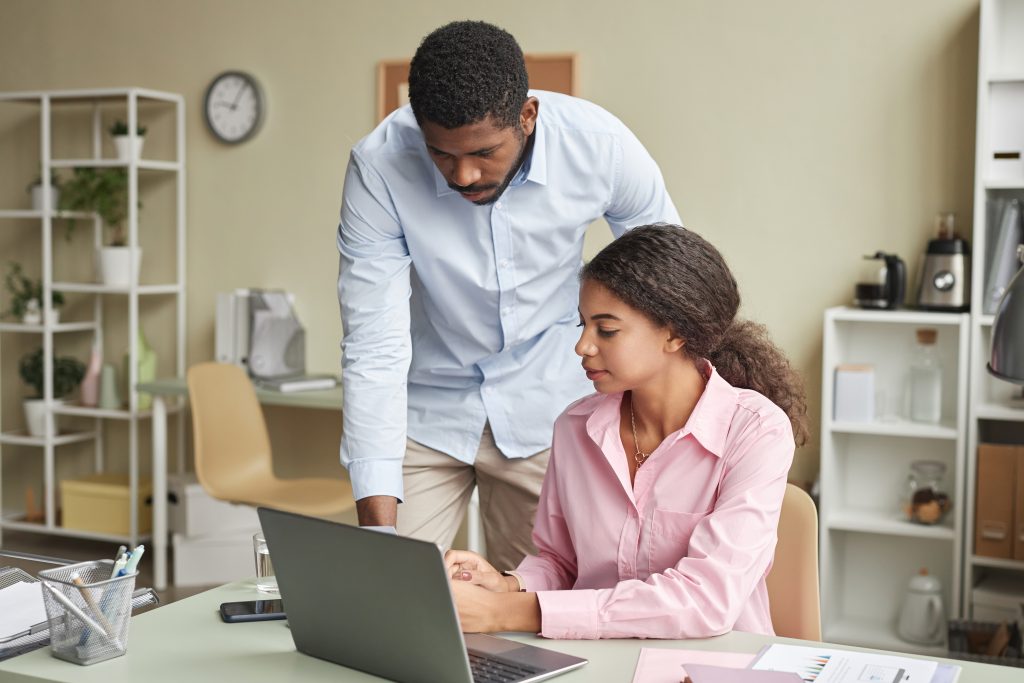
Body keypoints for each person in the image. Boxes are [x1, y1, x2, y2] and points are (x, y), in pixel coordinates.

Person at [336, 20, 679, 569]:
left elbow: (671, 280)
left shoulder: (601, 148)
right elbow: (373, 344)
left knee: (544, 614)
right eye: (441, 155)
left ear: (528, 115)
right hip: (425, 410)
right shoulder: (379, 167)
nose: (463, 174)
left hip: (548, 407)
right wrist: (378, 535)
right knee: (388, 596)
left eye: (484, 153)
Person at [444, 224, 810, 639]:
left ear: (675, 333)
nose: (582, 346)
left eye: (607, 329)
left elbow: (706, 601)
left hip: (712, 665)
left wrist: (507, 612)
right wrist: (507, 585)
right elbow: (561, 563)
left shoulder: (755, 431)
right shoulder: (575, 427)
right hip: (599, 662)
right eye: (582, 325)